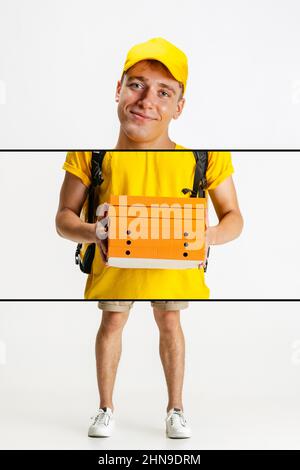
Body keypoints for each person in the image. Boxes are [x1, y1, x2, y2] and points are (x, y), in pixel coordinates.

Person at [55, 37, 244, 439]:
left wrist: (206, 235)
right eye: (136, 84)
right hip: (115, 265)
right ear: (118, 89)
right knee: (112, 323)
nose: (146, 100)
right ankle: (105, 409)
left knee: (170, 322)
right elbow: (63, 218)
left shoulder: (205, 159)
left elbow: (234, 218)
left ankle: (176, 409)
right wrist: (94, 231)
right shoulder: (90, 158)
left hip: (175, 265)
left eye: (164, 91)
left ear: (179, 107)